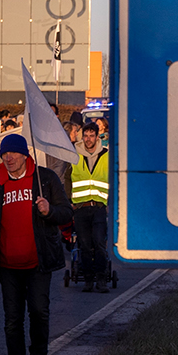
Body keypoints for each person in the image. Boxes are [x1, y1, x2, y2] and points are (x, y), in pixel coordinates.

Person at [0, 133, 71, 355]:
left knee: (39, 312)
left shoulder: (45, 180)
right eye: (4, 154)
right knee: (12, 319)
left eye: (13, 153)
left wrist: (49, 210)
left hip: (38, 262)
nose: (8, 158)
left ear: (25, 154)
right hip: (8, 265)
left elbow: (66, 212)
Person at [72, 118, 114, 293]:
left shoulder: (106, 155)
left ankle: (101, 279)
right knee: (84, 244)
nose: (88, 139)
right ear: (82, 137)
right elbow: (67, 178)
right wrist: (70, 201)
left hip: (98, 206)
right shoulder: (74, 154)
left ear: (98, 137)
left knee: (99, 243)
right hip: (80, 208)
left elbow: (113, 179)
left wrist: (109, 204)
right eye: (86, 136)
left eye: (92, 136)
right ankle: (88, 280)